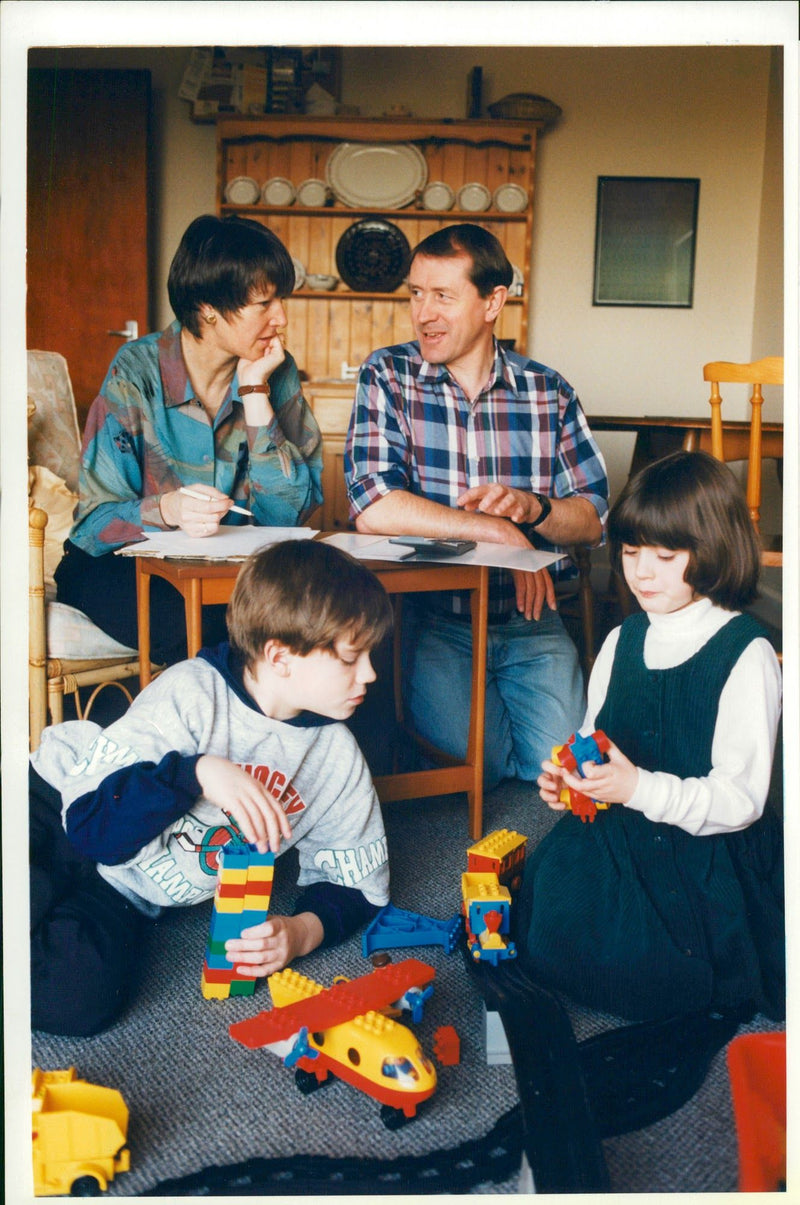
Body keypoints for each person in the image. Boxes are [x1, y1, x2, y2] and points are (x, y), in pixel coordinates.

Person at [30, 540, 393, 1037]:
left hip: (123, 888)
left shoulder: (335, 754)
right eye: (352, 658)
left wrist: (300, 933)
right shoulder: (191, 692)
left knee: (80, 999)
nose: (370, 674)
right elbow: (93, 831)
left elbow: (357, 883)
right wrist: (195, 773)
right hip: (60, 808)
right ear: (280, 656)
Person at [517, 451, 784, 1023]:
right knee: (548, 914)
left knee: (652, 968)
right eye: (631, 553)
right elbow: (595, 739)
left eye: (665, 557)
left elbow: (741, 801)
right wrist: (571, 780)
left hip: (702, 845)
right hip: (624, 828)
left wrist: (638, 788)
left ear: (713, 550)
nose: (640, 573)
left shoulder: (747, 652)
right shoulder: (622, 639)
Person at [345, 223, 608, 789]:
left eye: (444, 295)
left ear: (493, 301)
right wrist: (490, 530)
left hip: (533, 620)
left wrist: (533, 511)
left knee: (566, 774)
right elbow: (373, 504)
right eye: (416, 294)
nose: (423, 314)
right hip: (441, 619)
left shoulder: (549, 391)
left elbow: (592, 519)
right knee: (477, 769)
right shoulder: (387, 375)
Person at [55, 214, 323, 663]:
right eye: (265, 304)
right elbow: (93, 525)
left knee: (326, 615)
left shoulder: (276, 370)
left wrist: (255, 390)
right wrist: (167, 510)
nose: (282, 319)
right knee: (209, 627)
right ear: (208, 308)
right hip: (125, 567)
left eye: (282, 300)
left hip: (230, 573)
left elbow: (289, 516)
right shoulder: (137, 371)